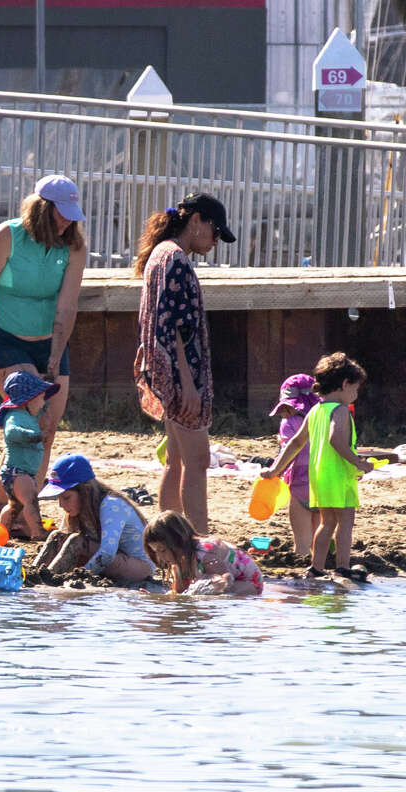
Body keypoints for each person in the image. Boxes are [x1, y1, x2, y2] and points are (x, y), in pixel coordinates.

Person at [0, 175, 87, 511]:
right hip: (6, 338)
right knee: (31, 419)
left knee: (47, 427)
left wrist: (55, 354)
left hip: (49, 340)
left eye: (71, 213)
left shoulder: (74, 246)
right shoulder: (8, 236)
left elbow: (67, 305)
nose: (67, 220)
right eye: (61, 212)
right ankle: (21, 508)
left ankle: (8, 503)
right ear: (42, 209)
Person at [133, 192, 236, 536]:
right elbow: (173, 325)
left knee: (176, 459)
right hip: (180, 374)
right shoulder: (175, 258)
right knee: (197, 461)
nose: (215, 241)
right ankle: (200, 545)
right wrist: (188, 383)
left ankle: (168, 540)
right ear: (196, 221)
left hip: (163, 371)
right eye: (215, 231)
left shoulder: (160, 254)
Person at [263, 353, 373, 581]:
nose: (355, 395)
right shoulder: (340, 410)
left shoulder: (314, 411)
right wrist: (358, 463)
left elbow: (295, 443)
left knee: (327, 523)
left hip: (319, 479)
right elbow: (336, 440)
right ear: (344, 384)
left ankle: (316, 568)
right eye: (355, 389)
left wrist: (275, 469)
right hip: (339, 478)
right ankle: (343, 567)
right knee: (345, 524)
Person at [30, 453, 157, 583]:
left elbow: (107, 554)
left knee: (76, 541)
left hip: (139, 567)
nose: (61, 505)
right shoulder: (80, 507)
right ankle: (32, 576)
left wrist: (79, 577)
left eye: (66, 497)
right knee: (57, 536)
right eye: (59, 498)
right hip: (113, 559)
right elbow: (63, 541)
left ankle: (47, 581)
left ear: (86, 490)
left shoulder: (111, 504)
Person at [0, 370, 59, 541]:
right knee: (31, 501)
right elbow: (12, 432)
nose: (43, 402)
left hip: (20, 472)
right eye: (41, 398)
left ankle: (1, 532)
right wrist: (32, 436)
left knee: (14, 507)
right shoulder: (15, 416)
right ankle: (38, 532)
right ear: (28, 399)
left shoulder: (28, 416)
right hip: (17, 472)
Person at [144, 510, 263, 595]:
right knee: (193, 593)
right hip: (231, 582)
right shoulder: (177, 560)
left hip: (249, 583)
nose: (160, 556)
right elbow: (179, 593)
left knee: (220, 594)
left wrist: (218, 584)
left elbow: (226, 578)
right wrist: (154, 597)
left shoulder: (205, 551)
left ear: (179, 541)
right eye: (155, 552)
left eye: (163, 550)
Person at [270, 373, 321, 558]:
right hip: (324, 486)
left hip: (300, 488)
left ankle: (301, 566)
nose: (285, 412)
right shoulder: (325, 419)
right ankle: (319, 570)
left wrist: (274, 471)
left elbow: (288, 451)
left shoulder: (289, 423)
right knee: (320, 539)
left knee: (302, 542)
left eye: (287, 407)